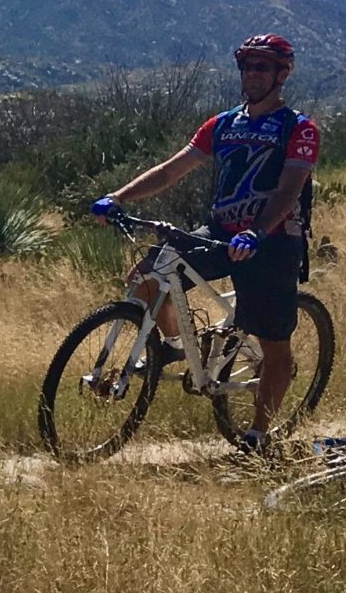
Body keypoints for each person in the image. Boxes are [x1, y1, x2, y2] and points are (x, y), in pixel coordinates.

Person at [92, 33, 320, 443]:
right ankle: (177, 345)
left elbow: (289, 190)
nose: (251, 74)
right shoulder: (223, 124)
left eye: (262, 66)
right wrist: (118, 196)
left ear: (282, 74)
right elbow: (169, 171)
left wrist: (257, 231)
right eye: (247, 66)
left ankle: (258, 432)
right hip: (219, 232)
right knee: (146, 278)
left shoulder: (299, 128)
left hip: (271, 241)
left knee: (274, 346)